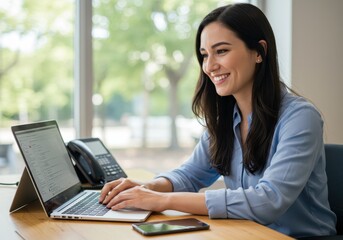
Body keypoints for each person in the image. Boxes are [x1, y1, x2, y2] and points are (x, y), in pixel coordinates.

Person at [99, 3, 336, 238]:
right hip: (247, 234)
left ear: (259, 52)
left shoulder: (300, 117)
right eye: (204, 55)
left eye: (221, 51)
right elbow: (190, 174)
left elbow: (269, 200)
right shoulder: (225, 119)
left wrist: (161, 200)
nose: (209, 66)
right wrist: (146, 187)